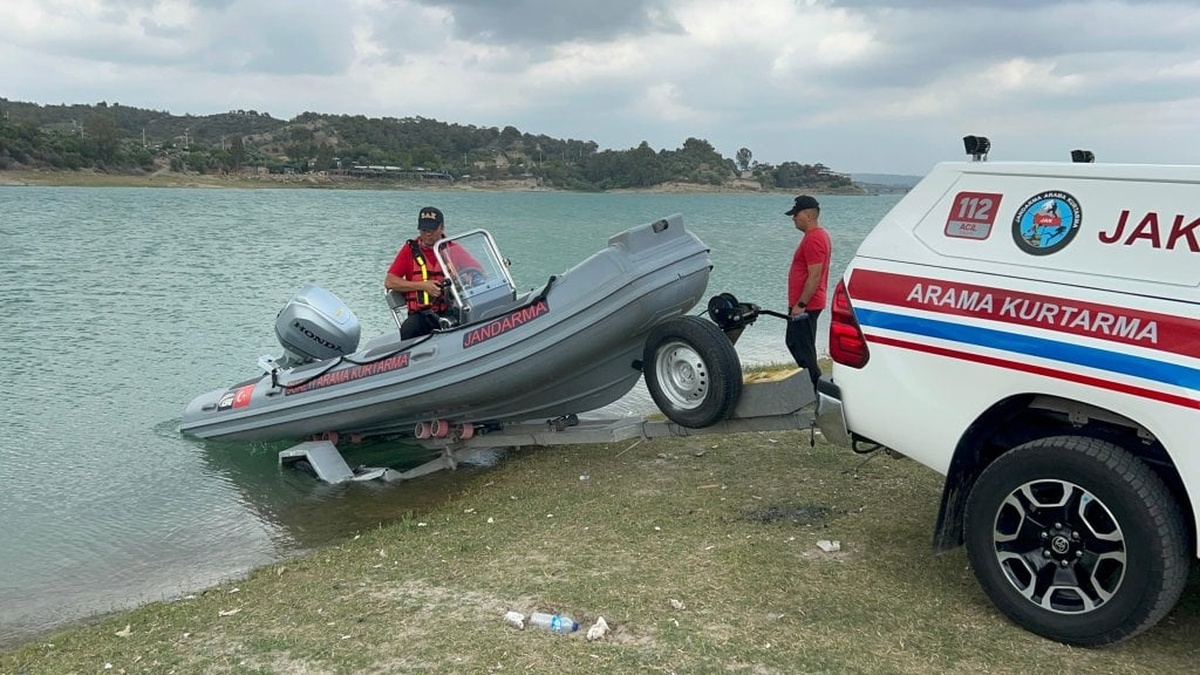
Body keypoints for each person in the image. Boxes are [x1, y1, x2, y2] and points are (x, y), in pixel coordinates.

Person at [384, 206, 480, 340]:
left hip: (451, 310)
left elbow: (479, 273)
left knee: (472, 315)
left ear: (442, 228)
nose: (428, 234)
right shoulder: (409, 251)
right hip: (423, 315)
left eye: (432, 229)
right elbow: (390, 281)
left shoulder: (453, 249)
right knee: (409, 328)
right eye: (424, 230)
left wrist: (462, 280)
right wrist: (423, 286)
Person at [783, 195, 832, 390]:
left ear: (809, 215)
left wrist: (801, 305)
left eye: (796, 214)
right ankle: (812, 385)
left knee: (801, 347)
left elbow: (815, 276)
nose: (793, 218)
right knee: (796, 343)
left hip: (806, 305)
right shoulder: (813, 237)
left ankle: (816, 388)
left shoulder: (815, 239)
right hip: (803, 304)